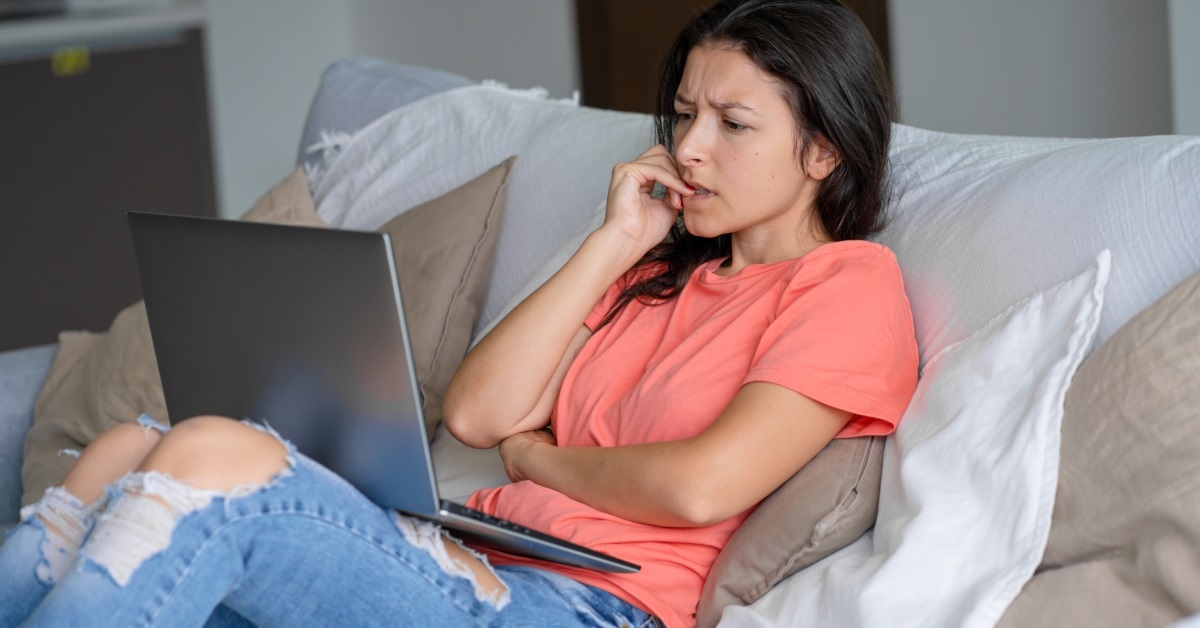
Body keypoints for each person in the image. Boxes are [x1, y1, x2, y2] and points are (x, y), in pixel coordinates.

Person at [0, 0, 918, 626]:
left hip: (590, 608)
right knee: (126, 446)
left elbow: (700, 488)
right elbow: (479, 413)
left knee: (210, 454)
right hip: (482, 551)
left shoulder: (847, 284)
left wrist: (545, 460)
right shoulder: (653, 274)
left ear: (824, 152)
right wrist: (613, 242)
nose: (689, 149)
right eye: (682, 115)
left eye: (733, 123)